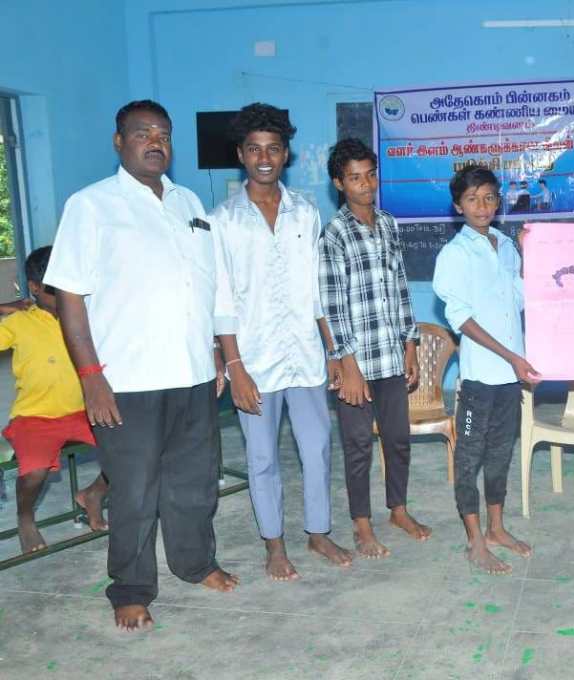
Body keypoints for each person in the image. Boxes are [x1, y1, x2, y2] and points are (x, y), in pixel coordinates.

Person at [45, 100, 238, 632]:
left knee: (195, 482)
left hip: (193, 374)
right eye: (142, 133)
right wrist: (91, 377)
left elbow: (208, 286)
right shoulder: (91, 206)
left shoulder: (188, 202)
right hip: (127, 381)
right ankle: (130, 588)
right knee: (134, 490)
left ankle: (194, 563)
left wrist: (216, 351)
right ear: (119, 141)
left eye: (164, 134)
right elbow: (70, 298)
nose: (156, 142)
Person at [211, 103, 352, 581]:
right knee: (262, 458)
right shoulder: (223, 220)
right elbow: (221, 300)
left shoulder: (305, 213)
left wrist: (333, 352)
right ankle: (273, 544)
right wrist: (235, 368)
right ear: (241, 155)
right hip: (254, 362)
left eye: (273, 149)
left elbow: (317, 292)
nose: (264, 158)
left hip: (305, 357)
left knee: (317, 449)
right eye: (254, 149)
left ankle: (318, 532)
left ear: (286, 154)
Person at [319, 138, 430, 559]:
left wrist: (410, 344)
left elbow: (400, 288)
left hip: (390, 356)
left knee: (398, 438)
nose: (365, 185)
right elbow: (331, 305)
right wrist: (347, 364)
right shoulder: (334, 233)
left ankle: (398, 510)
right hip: (356, 364)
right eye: (354, 178)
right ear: (339, 183)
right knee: (358, 445)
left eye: (370, 175)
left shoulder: (388, 224)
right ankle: (362, 524)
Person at [433, 165, 540, 574]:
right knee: (469, 458)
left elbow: (521, 299)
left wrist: (530, 257)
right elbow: (461, 319)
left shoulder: (506, 245)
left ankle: (496, 528)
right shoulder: (454, 254)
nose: (482, 206)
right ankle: (475, 540)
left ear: (499, 202)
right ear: (458, 206)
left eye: (490, 197)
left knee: (500, 453)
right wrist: (510, 355)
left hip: (511, 377)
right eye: (472, 199)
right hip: (481, 376)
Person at [0, 246, 108, 553]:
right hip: (35, 417)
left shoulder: (82, 317)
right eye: (53, 288)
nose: (62, 295)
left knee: (131, 452)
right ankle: (25, 518)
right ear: (34, 288)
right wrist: (4, 306)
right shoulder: (20, 323)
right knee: (34, 470)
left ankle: (93, 494)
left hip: (83, 411)